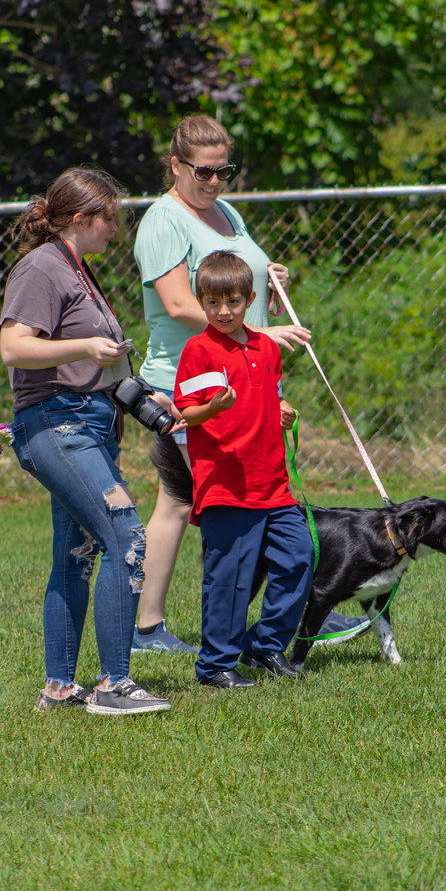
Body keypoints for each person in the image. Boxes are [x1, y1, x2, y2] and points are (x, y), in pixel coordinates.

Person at [133, 114, 368, 653]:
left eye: (225, 171)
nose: (215, 182)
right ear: (176, 166)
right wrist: (260, 330)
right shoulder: (164, 220)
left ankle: (283, 614)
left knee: (236, 500)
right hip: (191, 387)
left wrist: (268, 276)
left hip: (249, 383)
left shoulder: (224, 212)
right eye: (204, 172)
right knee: (200, 505)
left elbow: (230, 277)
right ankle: (154, 629)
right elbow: (177, 304)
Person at [0, 166, 176, 716]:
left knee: (76, 557)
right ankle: (114, 685)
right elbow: (13, 347)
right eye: (109, 219)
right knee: (126, 536)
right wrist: (84, 348)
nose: (115, 230)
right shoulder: (41, 268)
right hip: (57, 427)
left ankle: (59, 687)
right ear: (81, 218)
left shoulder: (77, 270)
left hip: (89, 424)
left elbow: (97, 362)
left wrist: (142, 397)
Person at [174, 251, 314, 687]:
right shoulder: (198, 351)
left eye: (233, 302)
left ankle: (264, 645)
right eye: (213, 303)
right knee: (230, 580)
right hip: (226, 485)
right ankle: (216, 664)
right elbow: (185, 413)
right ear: (201, 303)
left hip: (273, 483)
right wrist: (211, 408)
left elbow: (270, 393)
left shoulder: (267, 347)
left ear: (251, 299)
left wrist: (283, 408)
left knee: (300, 557)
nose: (223, 312)